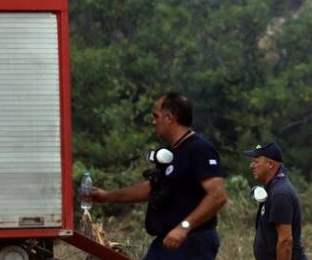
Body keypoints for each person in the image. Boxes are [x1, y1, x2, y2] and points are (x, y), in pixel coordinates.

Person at [92, 92, 228, 260]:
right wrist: (106, 196)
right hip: (167, 241)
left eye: (156, 116)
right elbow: (152, 189)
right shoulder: (173, 153)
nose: (153, 121)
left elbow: (218, 195)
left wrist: (184, 227)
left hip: (191, 240)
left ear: (169, 118)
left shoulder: (199, 149)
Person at [245, 142, 307, 260]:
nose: (251, 166)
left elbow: (285, 241)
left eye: (256, 162)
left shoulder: (280, 194)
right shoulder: (273, 189)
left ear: (270, 164)